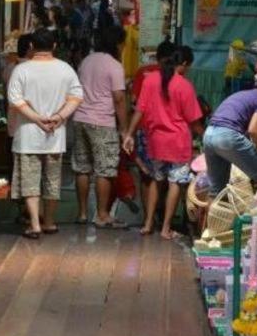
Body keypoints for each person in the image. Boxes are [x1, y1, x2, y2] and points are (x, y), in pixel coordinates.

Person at [7, 28, 83, 239]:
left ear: (31, 46)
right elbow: (76, 96)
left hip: (28, 134)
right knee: (52, 179)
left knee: (30, 181)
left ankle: (34, 224)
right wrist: (58, 118)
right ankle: (49, 222)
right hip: (54, 134)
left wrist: (36, 118)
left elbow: (15, 100)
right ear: (55, 46)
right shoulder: (65, 69)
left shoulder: (22, 70)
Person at [123, 46, 203, 239]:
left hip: (156, 141)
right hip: (178, 143)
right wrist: (206, 136)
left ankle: (149, 223)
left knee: (156, 180)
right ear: (183, 64)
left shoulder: (150, 80)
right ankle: (166, 228)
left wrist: (129, 134)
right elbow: (194, 121)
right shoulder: (184, 85)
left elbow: (139, 110)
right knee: (175, 182)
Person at [72, 25, 128, 227]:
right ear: (117, 43)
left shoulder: (86, 61)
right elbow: (119, 99)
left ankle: (82, 213)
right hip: (102, 121)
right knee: (104, 170)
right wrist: (125, 129)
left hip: (80, 118)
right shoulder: (114, 66)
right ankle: (103, 215)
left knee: (82, 168)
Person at [203, 68, 257, 196]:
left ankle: (210, 216)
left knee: (216, 193)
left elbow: (248, 132)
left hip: (209, 134)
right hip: (227, 136)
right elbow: (253, 130)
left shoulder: (244, 95)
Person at [130, 40, 175, 219]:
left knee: (146, 175)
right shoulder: (174, 74)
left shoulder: (142, 72)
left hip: (144, 128)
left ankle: (147, 215)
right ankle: (161, 212)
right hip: (165, 131)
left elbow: (134, 101)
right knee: (164, 174)